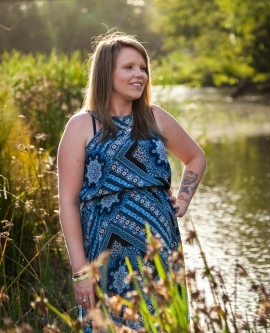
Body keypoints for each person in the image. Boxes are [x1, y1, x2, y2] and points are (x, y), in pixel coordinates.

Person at [57, 32, 206, 331]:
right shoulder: (82, 125)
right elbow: (68, 203)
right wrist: (81, 272)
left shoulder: (155, 118)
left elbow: (195, 158)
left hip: (160, 251)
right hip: (106, 257)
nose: (140, 75)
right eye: (129, 67)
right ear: (106, 72)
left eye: (143, 68)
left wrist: (184, 198)